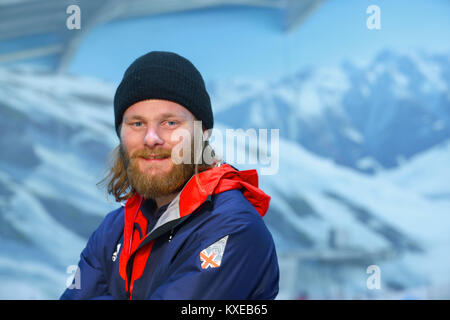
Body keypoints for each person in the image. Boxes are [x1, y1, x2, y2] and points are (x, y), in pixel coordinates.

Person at [60, 51, 279, 300]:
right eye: (137, 124)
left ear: (203, 132)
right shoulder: (113, 230)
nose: (151, 138)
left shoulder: (232, 228)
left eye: (170, 123)